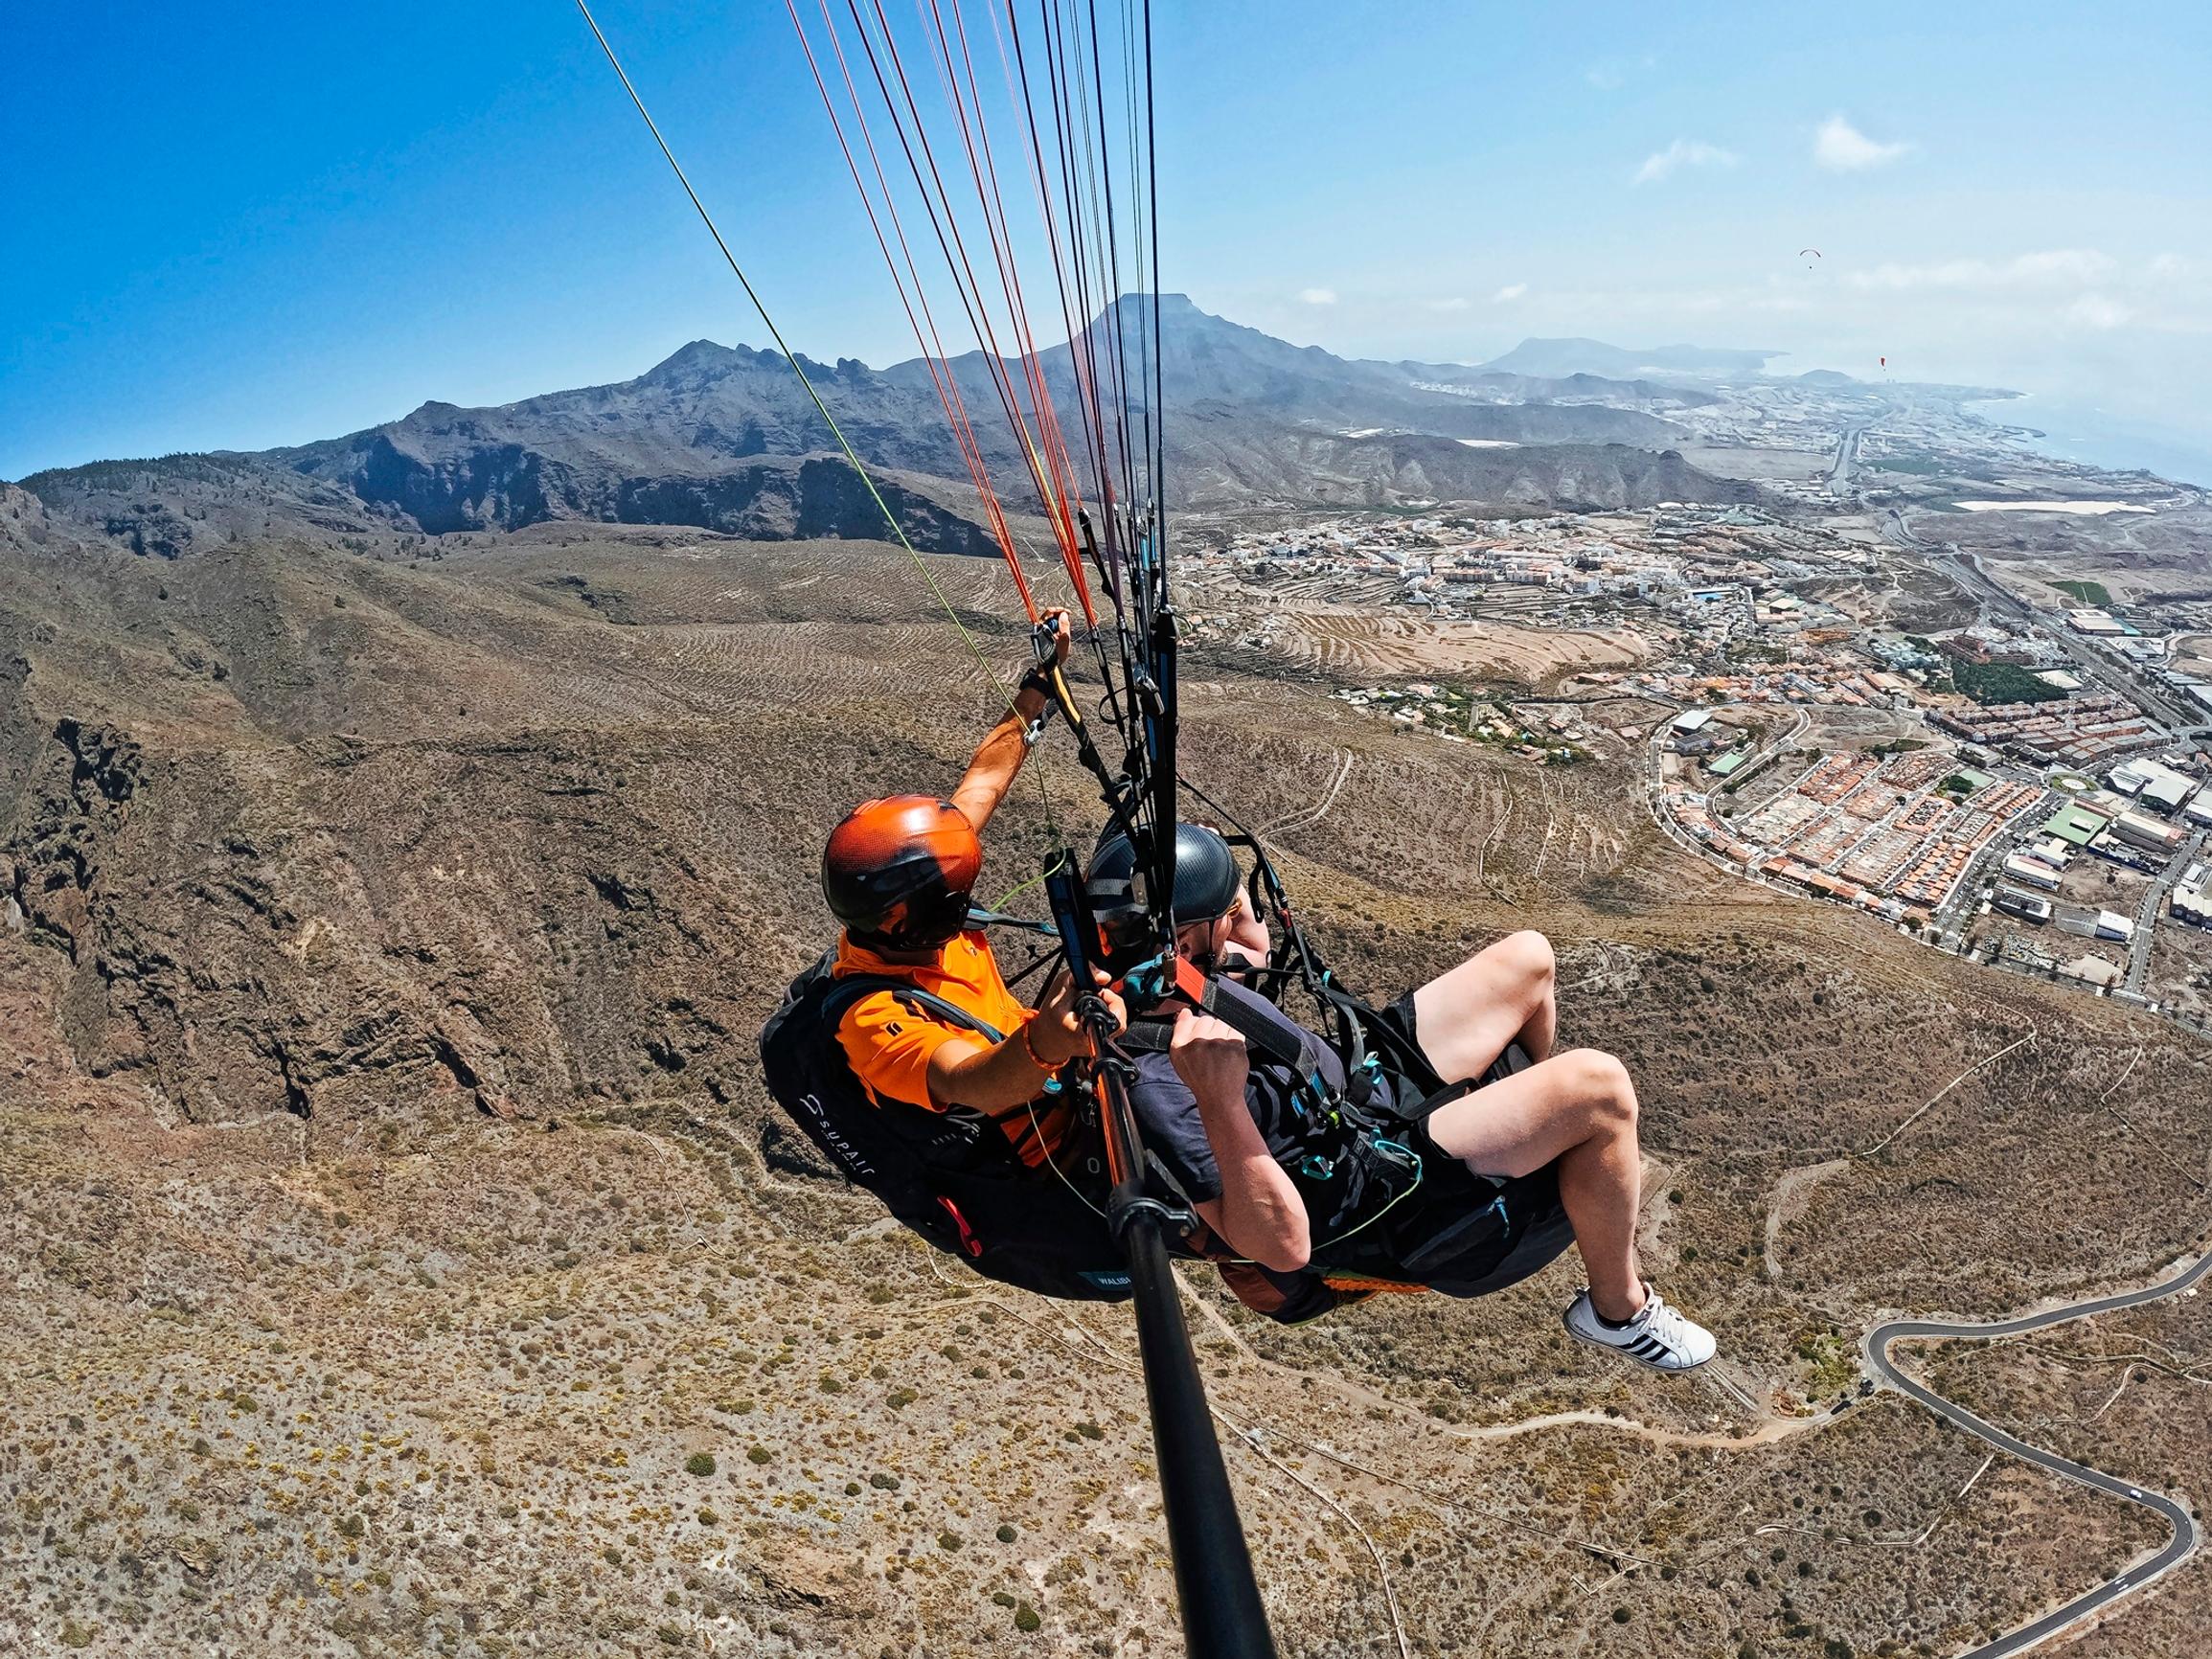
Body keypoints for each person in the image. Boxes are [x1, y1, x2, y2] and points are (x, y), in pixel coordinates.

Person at [1097, 824, 1718, 1373]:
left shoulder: (1177, 980)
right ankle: (1617, 1309)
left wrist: (1212, 880)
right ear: (1182, 946)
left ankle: (1532, 1140)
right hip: (1371, 1181)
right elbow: (1279, 1247)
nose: (1243, 920)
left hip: (1357, 1091)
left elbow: (1246, 950)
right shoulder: (1161, 1089)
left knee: (1529, 957)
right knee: (1599, 1087)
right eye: (1229, 912)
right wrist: (1221, 1102)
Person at [819, 610, 1124, 1167]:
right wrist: (1047, 1042)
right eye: (956, 897)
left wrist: (1040, 681)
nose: (966, 902)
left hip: (1068, 1073)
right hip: (1053, 1154)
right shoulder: (871, 1022)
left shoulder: (911, 899)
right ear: (907, 918)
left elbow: (983, 781)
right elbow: (968, 1081)